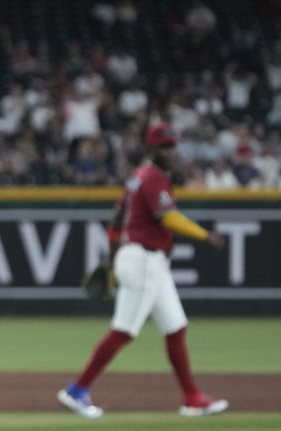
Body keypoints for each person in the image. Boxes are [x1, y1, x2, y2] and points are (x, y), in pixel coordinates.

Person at [57, 122, 228, 418]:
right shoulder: (152, 177)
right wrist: (205, 236)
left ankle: (192, 397)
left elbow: (115, 223)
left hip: (148, 261)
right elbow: (168, 218)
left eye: (173, 145)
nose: (171, 151)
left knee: (175, 328)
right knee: (123, 331)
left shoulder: (136, 178)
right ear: (151, 148)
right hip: (144, 260)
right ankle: (77, 390)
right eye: (165, 146)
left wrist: (112, 260)